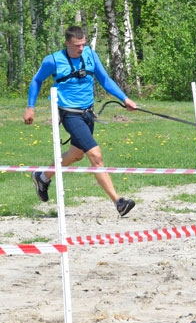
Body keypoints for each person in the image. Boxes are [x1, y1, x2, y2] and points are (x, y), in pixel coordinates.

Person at [24, 25, 138, 217]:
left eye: (83, 44)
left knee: (76, 155)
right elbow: (36, 80)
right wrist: (30, 106)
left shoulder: (91, 56)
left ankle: (42, 177)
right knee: (96, 155)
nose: (81, 49)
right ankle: (118, 202)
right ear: (67, 43)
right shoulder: (52, 61)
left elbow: (105, 79)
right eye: (77, 46)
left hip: (88, 114)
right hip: (69, 114)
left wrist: (125, 99)